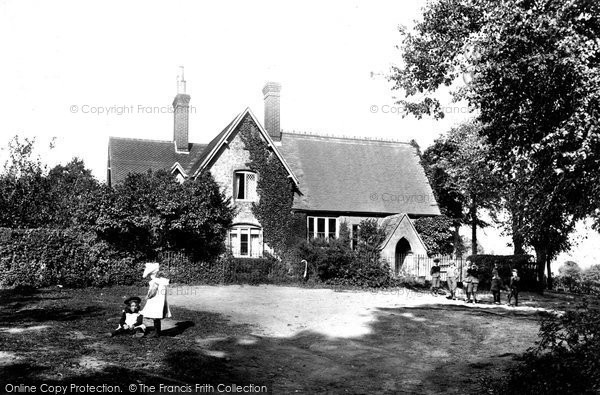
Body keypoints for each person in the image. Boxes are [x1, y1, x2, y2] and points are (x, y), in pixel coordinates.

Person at [141, 262, 172, 337]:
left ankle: (157, 333)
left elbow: (153, 291)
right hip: (160, 301)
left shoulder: (155, 281)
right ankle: (157, 332)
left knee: (155, 316)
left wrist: (148, 296)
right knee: (156, 316)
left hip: (155, 300)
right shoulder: (161, 280)